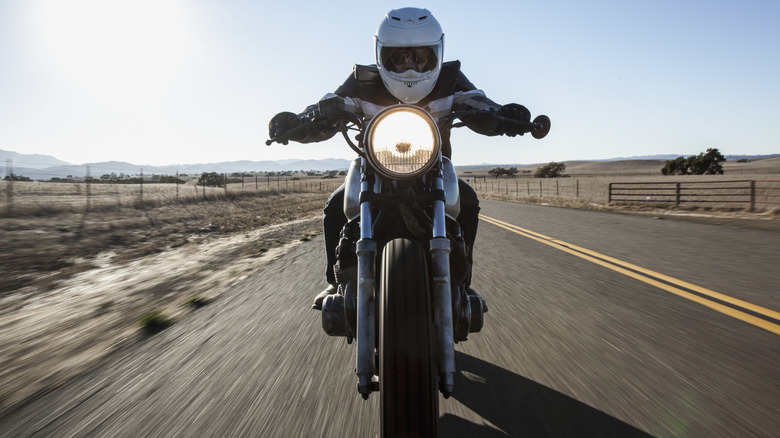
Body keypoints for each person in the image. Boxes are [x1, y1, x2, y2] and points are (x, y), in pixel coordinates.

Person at [269, 7, 531, 309]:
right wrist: (302, 122)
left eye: (419, 57)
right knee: (336, 207)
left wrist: (502, 117)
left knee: (467, 201)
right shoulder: (362, 81)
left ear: (435, 55)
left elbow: (478, 102)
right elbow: (331, 104)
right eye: (398, 57)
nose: (409, 66)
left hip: (433, 170)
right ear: (383, 56)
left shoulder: (450, 79)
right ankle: (335, 280)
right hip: (374, 171)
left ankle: (463, 282)